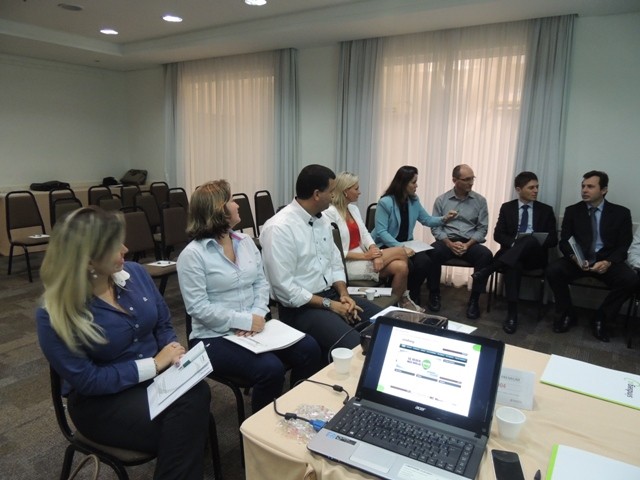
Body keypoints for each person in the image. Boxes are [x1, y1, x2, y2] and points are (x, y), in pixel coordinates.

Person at [36, 207, 211, 479]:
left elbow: (162, 322)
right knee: (188, 419)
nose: (126, 249)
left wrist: (173, 351)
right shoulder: (54, 313)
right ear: (88, 260)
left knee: (195, 398)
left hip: (152, 381)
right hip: (101, 402)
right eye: (115, 246)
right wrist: (154, 364)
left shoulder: (135, 273)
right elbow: (89, 381)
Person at [177, 180, 322, 413]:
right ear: (218, 210)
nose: (237, 205)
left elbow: (260, 283)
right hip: (213, 336)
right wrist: (244, 321)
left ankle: (298, 409)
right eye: (232, 200)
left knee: (310, 348)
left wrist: (256, 316)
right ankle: (260, 429)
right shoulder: (193, 255)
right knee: (270, 369)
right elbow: (198, 308)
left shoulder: (244, 242)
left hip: (254, 326)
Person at [259, 164, 382, 359]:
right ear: (317, 194)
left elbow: (335, 263)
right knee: (357, 348)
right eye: (331, 191)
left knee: (385, 323)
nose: (334, 196)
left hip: (331, 296)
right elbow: (285, 289)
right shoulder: (279, 228)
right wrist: (330, 305)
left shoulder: (322, 220)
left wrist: (343, 295)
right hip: (301, 308)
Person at [546, 171, 638, 342]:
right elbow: (564, 241)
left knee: (630, 280)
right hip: (579, 260)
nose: (584, 190)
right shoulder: (573, 211)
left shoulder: (621, 213)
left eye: (590, 186)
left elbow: (624, 245)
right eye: (583, 186)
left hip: (606, 261)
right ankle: (567, 313)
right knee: (553, 270)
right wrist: (574, 258)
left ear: (603, 190)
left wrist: (608, 262)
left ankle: (601, 318)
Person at [324, 172, 425, 312]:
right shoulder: (329, 213)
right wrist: (366, 256)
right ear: (346, 191)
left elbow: (365, 234)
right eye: (356, 188)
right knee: (401, 252)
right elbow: (333, 250)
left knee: (401, 267)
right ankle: (403, 299)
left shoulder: (353, 209)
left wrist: (374, 252)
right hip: (346, 263)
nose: (359, 192)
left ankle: (393, 307)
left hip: (365, 256)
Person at [471, 172, 558, 333]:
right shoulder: (507, 208)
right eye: (531, 187)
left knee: (530, 239)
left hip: (535, 257)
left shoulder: (545, 210)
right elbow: (498, 235)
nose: (536, 191)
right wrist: (515, 244)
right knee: (514, 265)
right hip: (512, 257)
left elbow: (553, 240)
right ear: (518, 189)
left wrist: (533, 241)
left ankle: (489, 269)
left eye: (537, 187)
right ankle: (512, 314)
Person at [371, 165, 456, 310]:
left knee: (425, 262)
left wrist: (444, 219)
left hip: (407, 244)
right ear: (403, 183)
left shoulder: (413, 200)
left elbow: (426, 220)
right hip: (386, 245)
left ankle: (411, 294)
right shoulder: (385, 202)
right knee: (410, 264)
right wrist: (401, 248)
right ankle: (401, 297)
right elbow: (381, 232)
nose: (417, 185)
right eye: (414, 182)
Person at [430, 164, 493, 319]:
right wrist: (449, 243)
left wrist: (467, 244)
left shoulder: (480, 201)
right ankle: (434, 293)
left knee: (486, 255)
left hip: (469, 242)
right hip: (447, 241)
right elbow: (436, 227)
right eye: (466, 179)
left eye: (472, 178)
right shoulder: (442, 200)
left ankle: (474, 300)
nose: (471, 183)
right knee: (431, 252)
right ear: (454, 180)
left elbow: (482, 228)